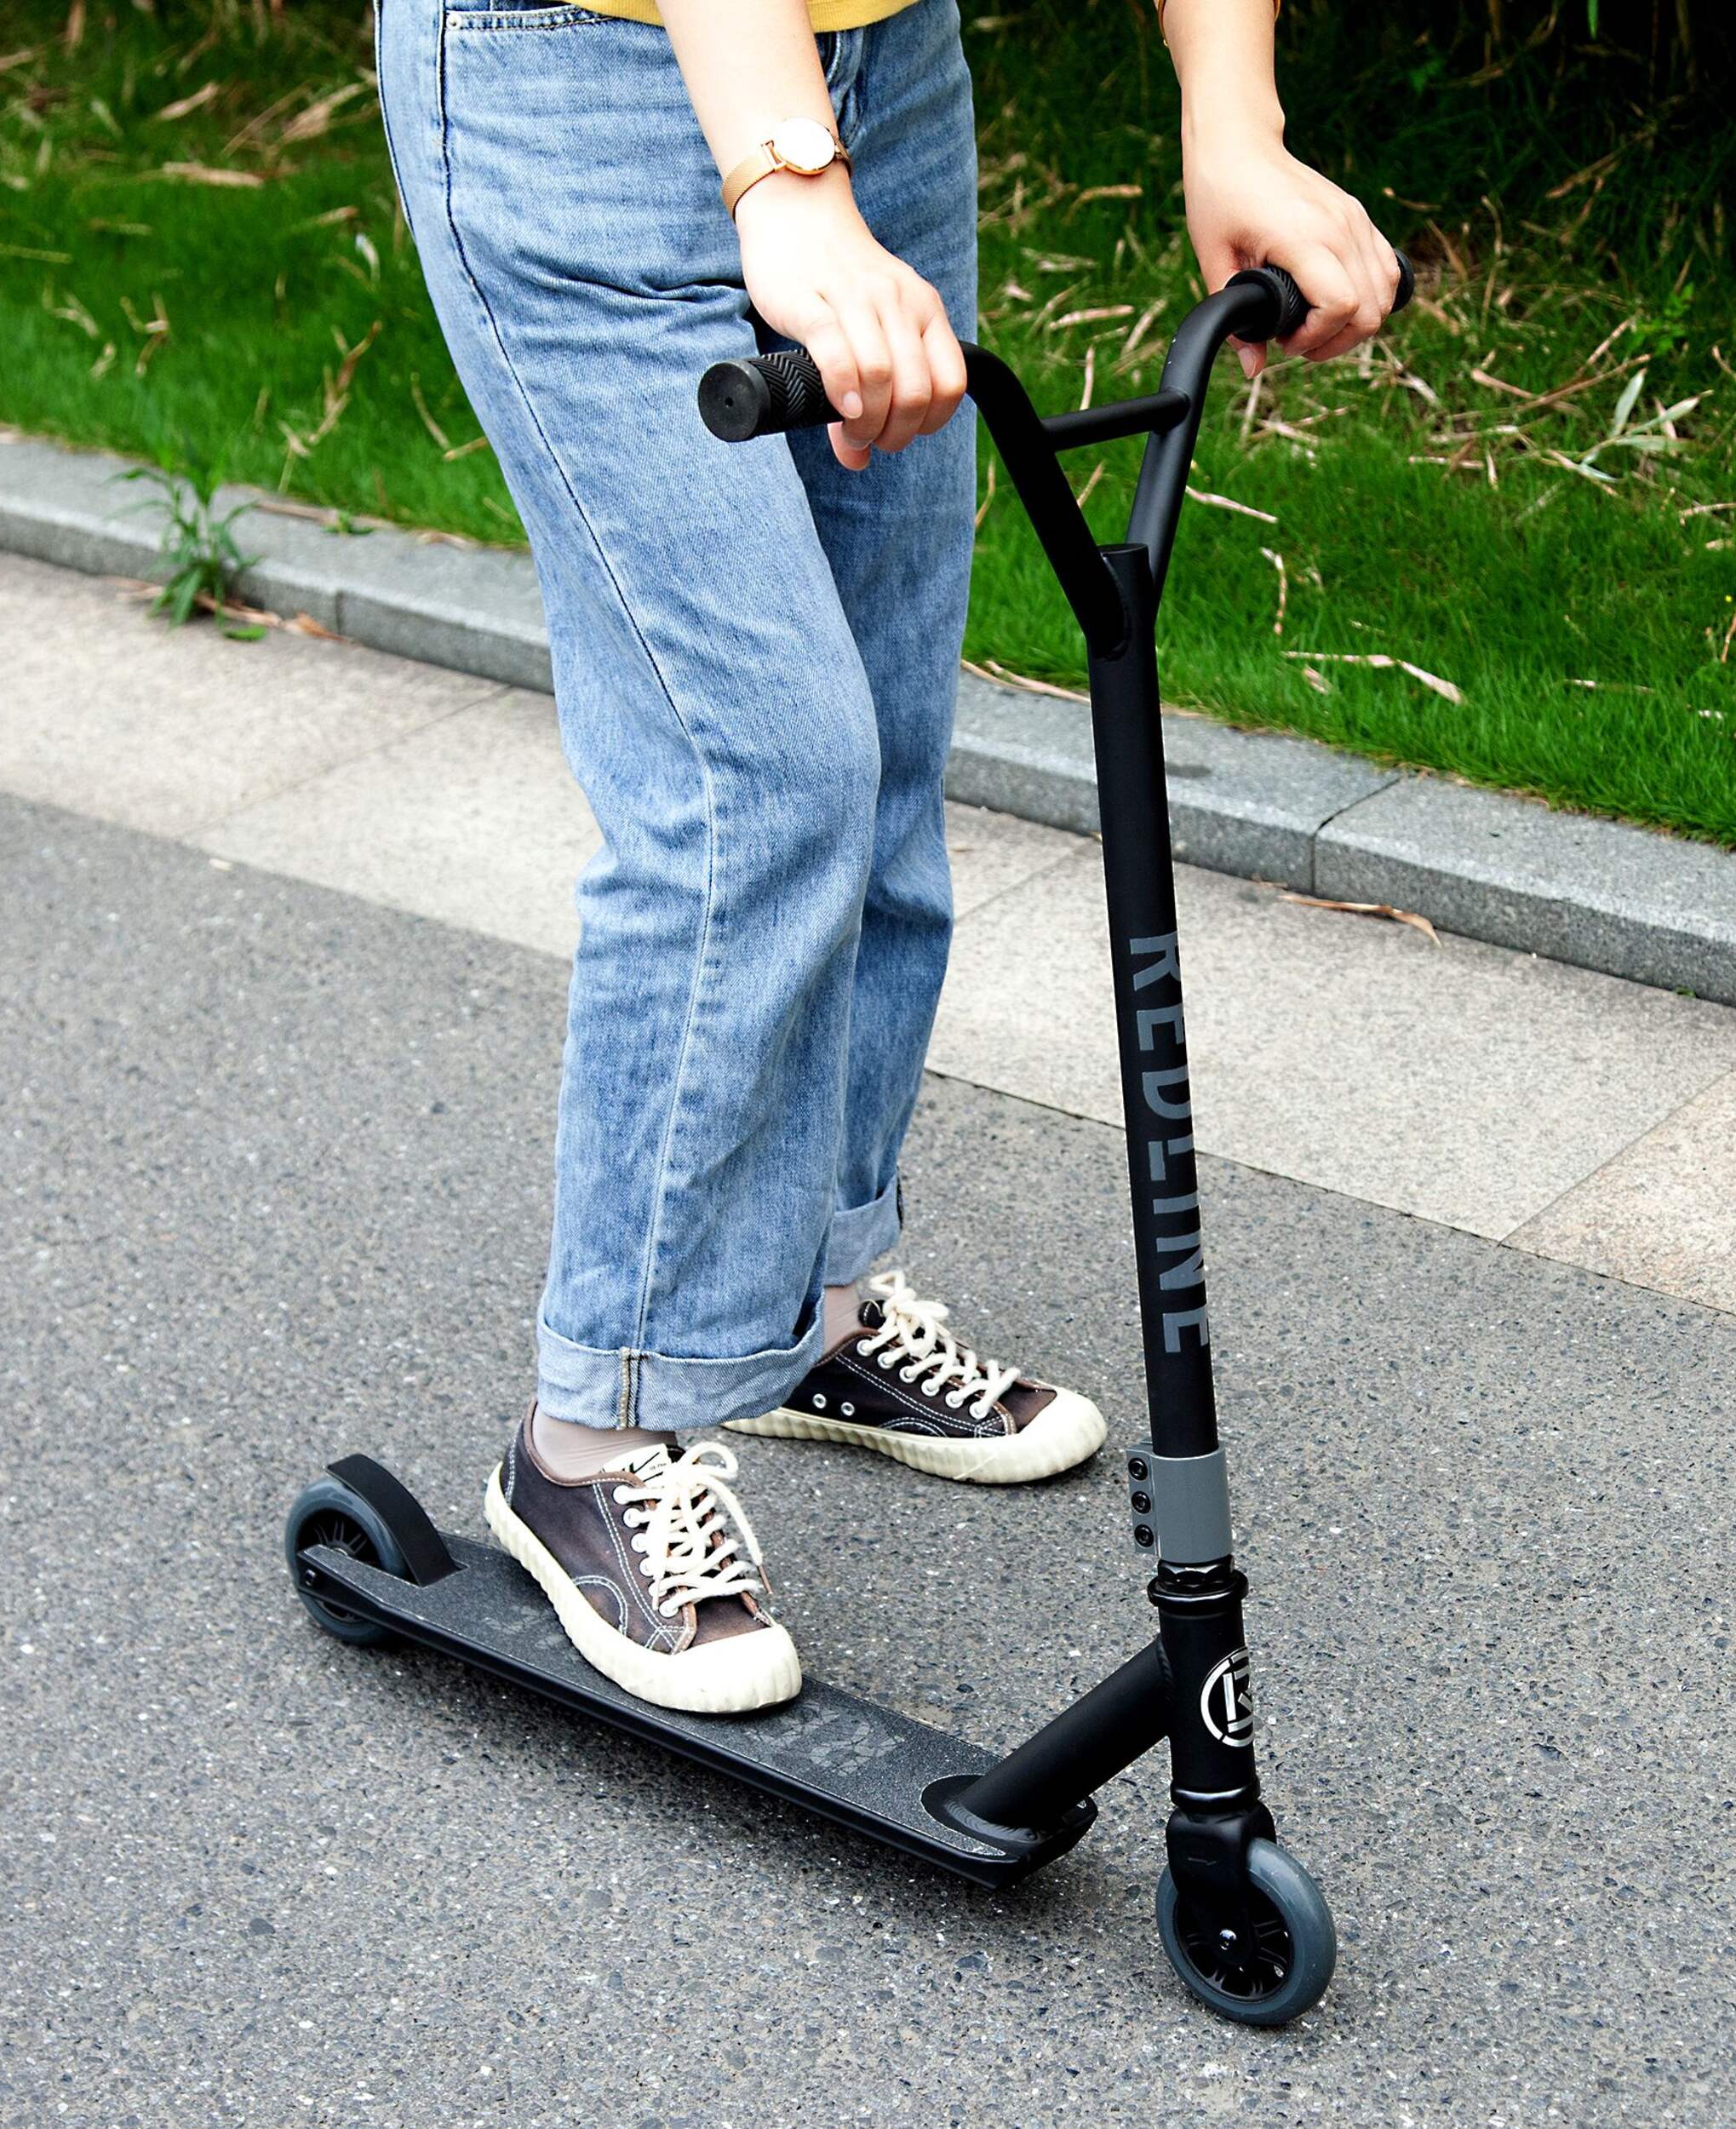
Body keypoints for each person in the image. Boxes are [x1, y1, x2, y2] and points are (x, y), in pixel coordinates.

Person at [374, 0, 1400, 1715]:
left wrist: (1233, 113)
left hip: (886, 70)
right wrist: (787, 183)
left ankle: (810, 1300)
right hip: (569, 77)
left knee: (880, 730)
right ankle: (593, 1430)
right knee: (761, 774)